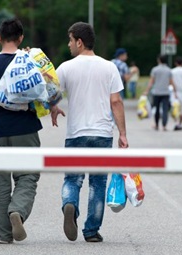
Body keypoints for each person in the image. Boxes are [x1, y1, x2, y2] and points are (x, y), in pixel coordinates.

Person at [0, 18, 64, 244]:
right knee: (28, 175)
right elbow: (50, 89)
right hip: (26, 129)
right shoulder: (30, 62)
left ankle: (5, 235)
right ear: (21, 38)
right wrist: (53, 106)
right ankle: (18, 211)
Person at [52, 22, 129, 243]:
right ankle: (91, 231)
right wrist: (122, 133)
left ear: (79, 41)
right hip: (102, 133)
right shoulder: (109, 67)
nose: (68, 45)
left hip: (76, 133)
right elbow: (116, 101)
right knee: (97, 183)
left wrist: (54, 108)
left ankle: (69, 205)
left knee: (72, 179)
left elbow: (52, 94)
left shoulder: (66, 68)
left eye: (70, 40)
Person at [143, 54, 177, 131]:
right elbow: (171, 82)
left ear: (159, 60)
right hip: (166, 92)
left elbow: (151, 82)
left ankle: (157, 125)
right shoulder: (169, 70)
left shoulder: (155, 69)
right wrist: (175, 91)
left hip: (157, 92)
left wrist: (146, 91)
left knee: (157, 108)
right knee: (165, 109)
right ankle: (164, 125)